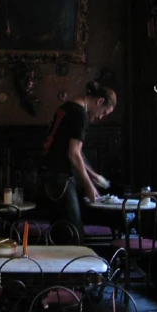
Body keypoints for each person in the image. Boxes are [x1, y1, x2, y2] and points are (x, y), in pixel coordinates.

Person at [41, 81, 116, 243]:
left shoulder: (67, 107)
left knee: (60, 232)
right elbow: (73, 154)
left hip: (50, 175)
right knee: (73, 235)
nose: (100, 117)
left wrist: (92, 174)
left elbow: (74, 150)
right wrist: (89, 186)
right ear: (100, 101)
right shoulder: (80, 114)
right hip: (60, 177)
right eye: (103, 112)